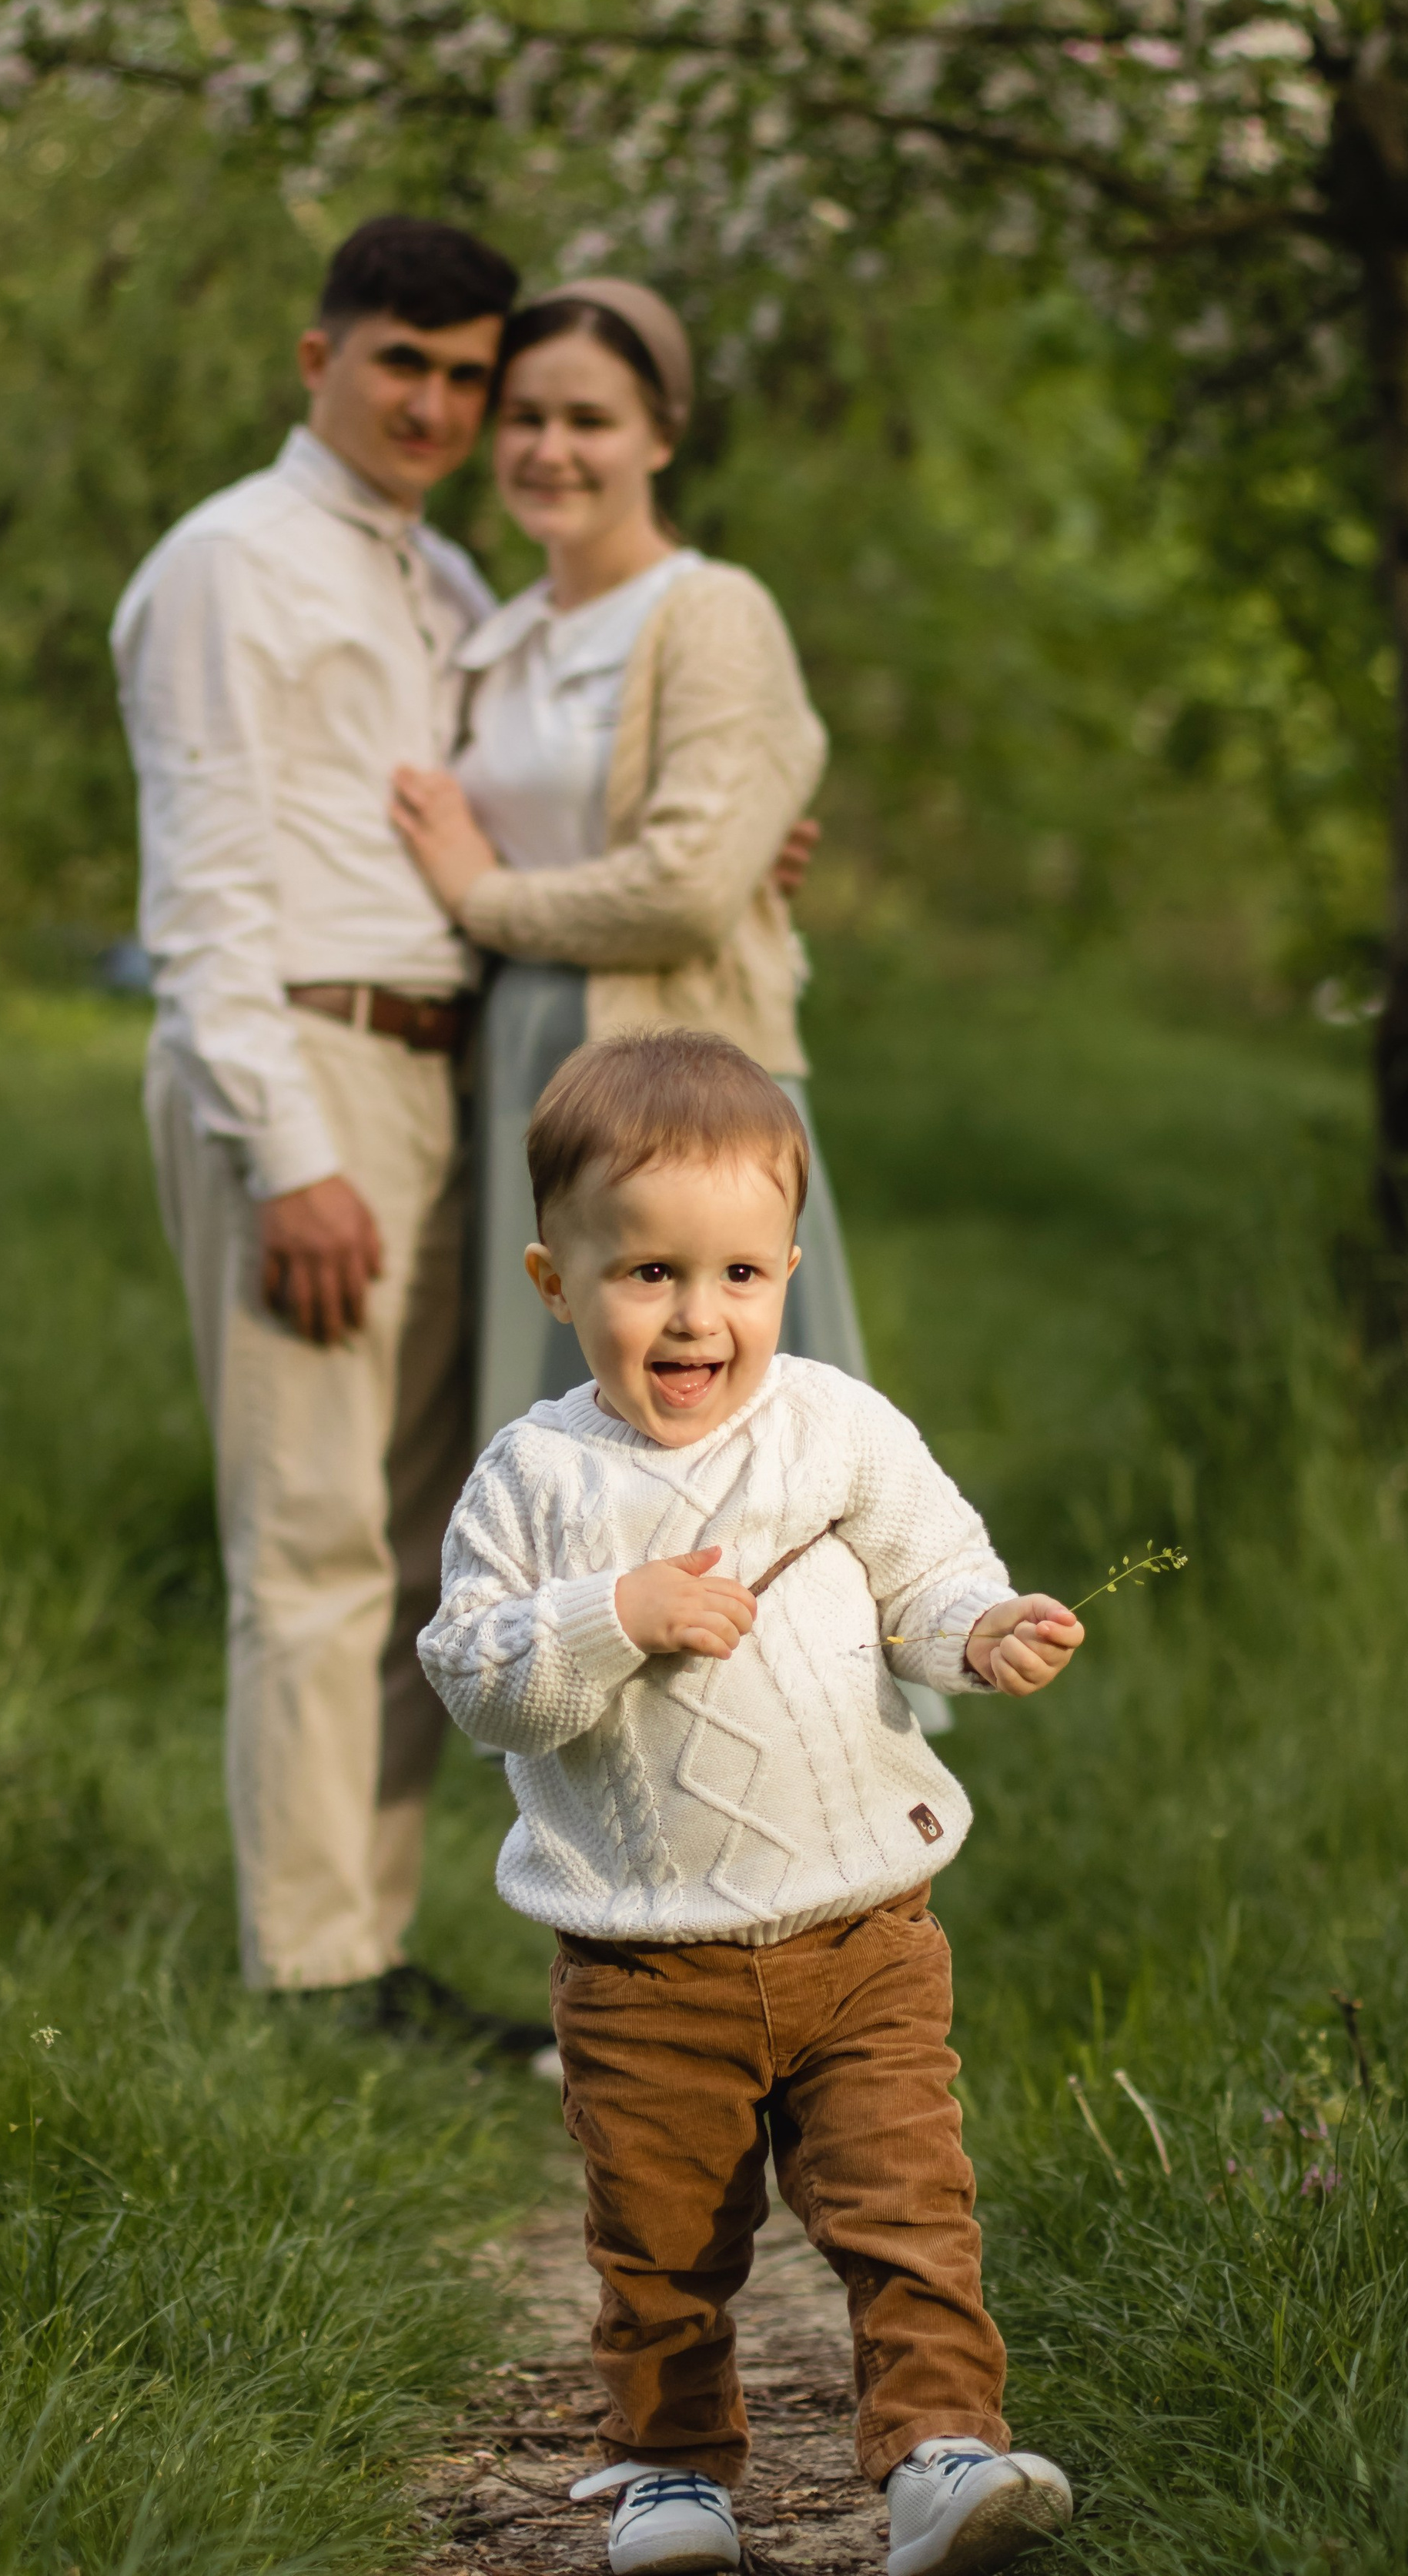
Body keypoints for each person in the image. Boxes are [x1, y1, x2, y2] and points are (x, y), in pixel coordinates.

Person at [416, 1032, 1082, 2576]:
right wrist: (612, 1615)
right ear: (553, 1281)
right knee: (660, 2240)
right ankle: (667, 2470)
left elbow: (927, 1571)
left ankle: (937, 2455)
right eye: (644, 1272)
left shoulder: (836, 1427)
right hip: (646, 1961)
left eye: (734, 1275)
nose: (694, 1314)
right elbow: (475, 1677)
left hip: (862, 1932)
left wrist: (978, 1633)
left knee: (905, 2209)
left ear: (785, 1268)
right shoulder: (530, 1482)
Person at [391, 275, 951, 1729]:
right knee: (580, 1458)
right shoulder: (498, 633)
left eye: (590, 417)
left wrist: (484, 895)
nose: (549, 449)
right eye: (523, 417)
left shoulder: (712, 614)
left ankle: (805, 1761)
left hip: (685, 1084)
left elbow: (690, 888)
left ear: (663, 433)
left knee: (747, 1443)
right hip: (532, 1064)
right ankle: (594, 1741)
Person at [111, 214, 547, 2048]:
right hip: (296, 1062)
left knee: (422, 1539)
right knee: (307, 1537)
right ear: (319, 359)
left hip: (443, 1065)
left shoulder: (442, 581)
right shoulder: (228, 566)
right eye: (402, 364)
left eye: (467, 376)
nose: (434, 403)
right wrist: (286, 1148)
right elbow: (205, 892)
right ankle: (309, 1977)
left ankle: (361, 1946)